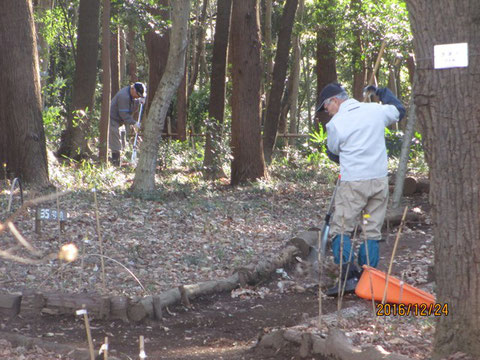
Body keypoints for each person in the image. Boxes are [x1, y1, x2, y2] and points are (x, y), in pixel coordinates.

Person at [316, 82, 405, 296]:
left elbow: (333, 151)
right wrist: (381, 92)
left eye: (326, 107)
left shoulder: (336, 124)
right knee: (370, 229)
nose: (326, 112)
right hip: (378, 182)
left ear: (335, 101)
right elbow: (399, 110)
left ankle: (348, 278)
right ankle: (368, 278)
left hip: (354, 184)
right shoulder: (376, 110)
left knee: (342, 229)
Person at [109, 82, 147, 166]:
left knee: (123, 143)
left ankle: (121, 162)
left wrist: (139, 101)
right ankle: (115, 164)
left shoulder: (131, 95)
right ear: (133, 89)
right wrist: (134, 123)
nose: (138, 97)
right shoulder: (124, 96)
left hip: (120, 121)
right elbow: (124, 114)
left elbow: (133, 104)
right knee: (116, 143)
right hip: (113, 120)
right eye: (138, 94)